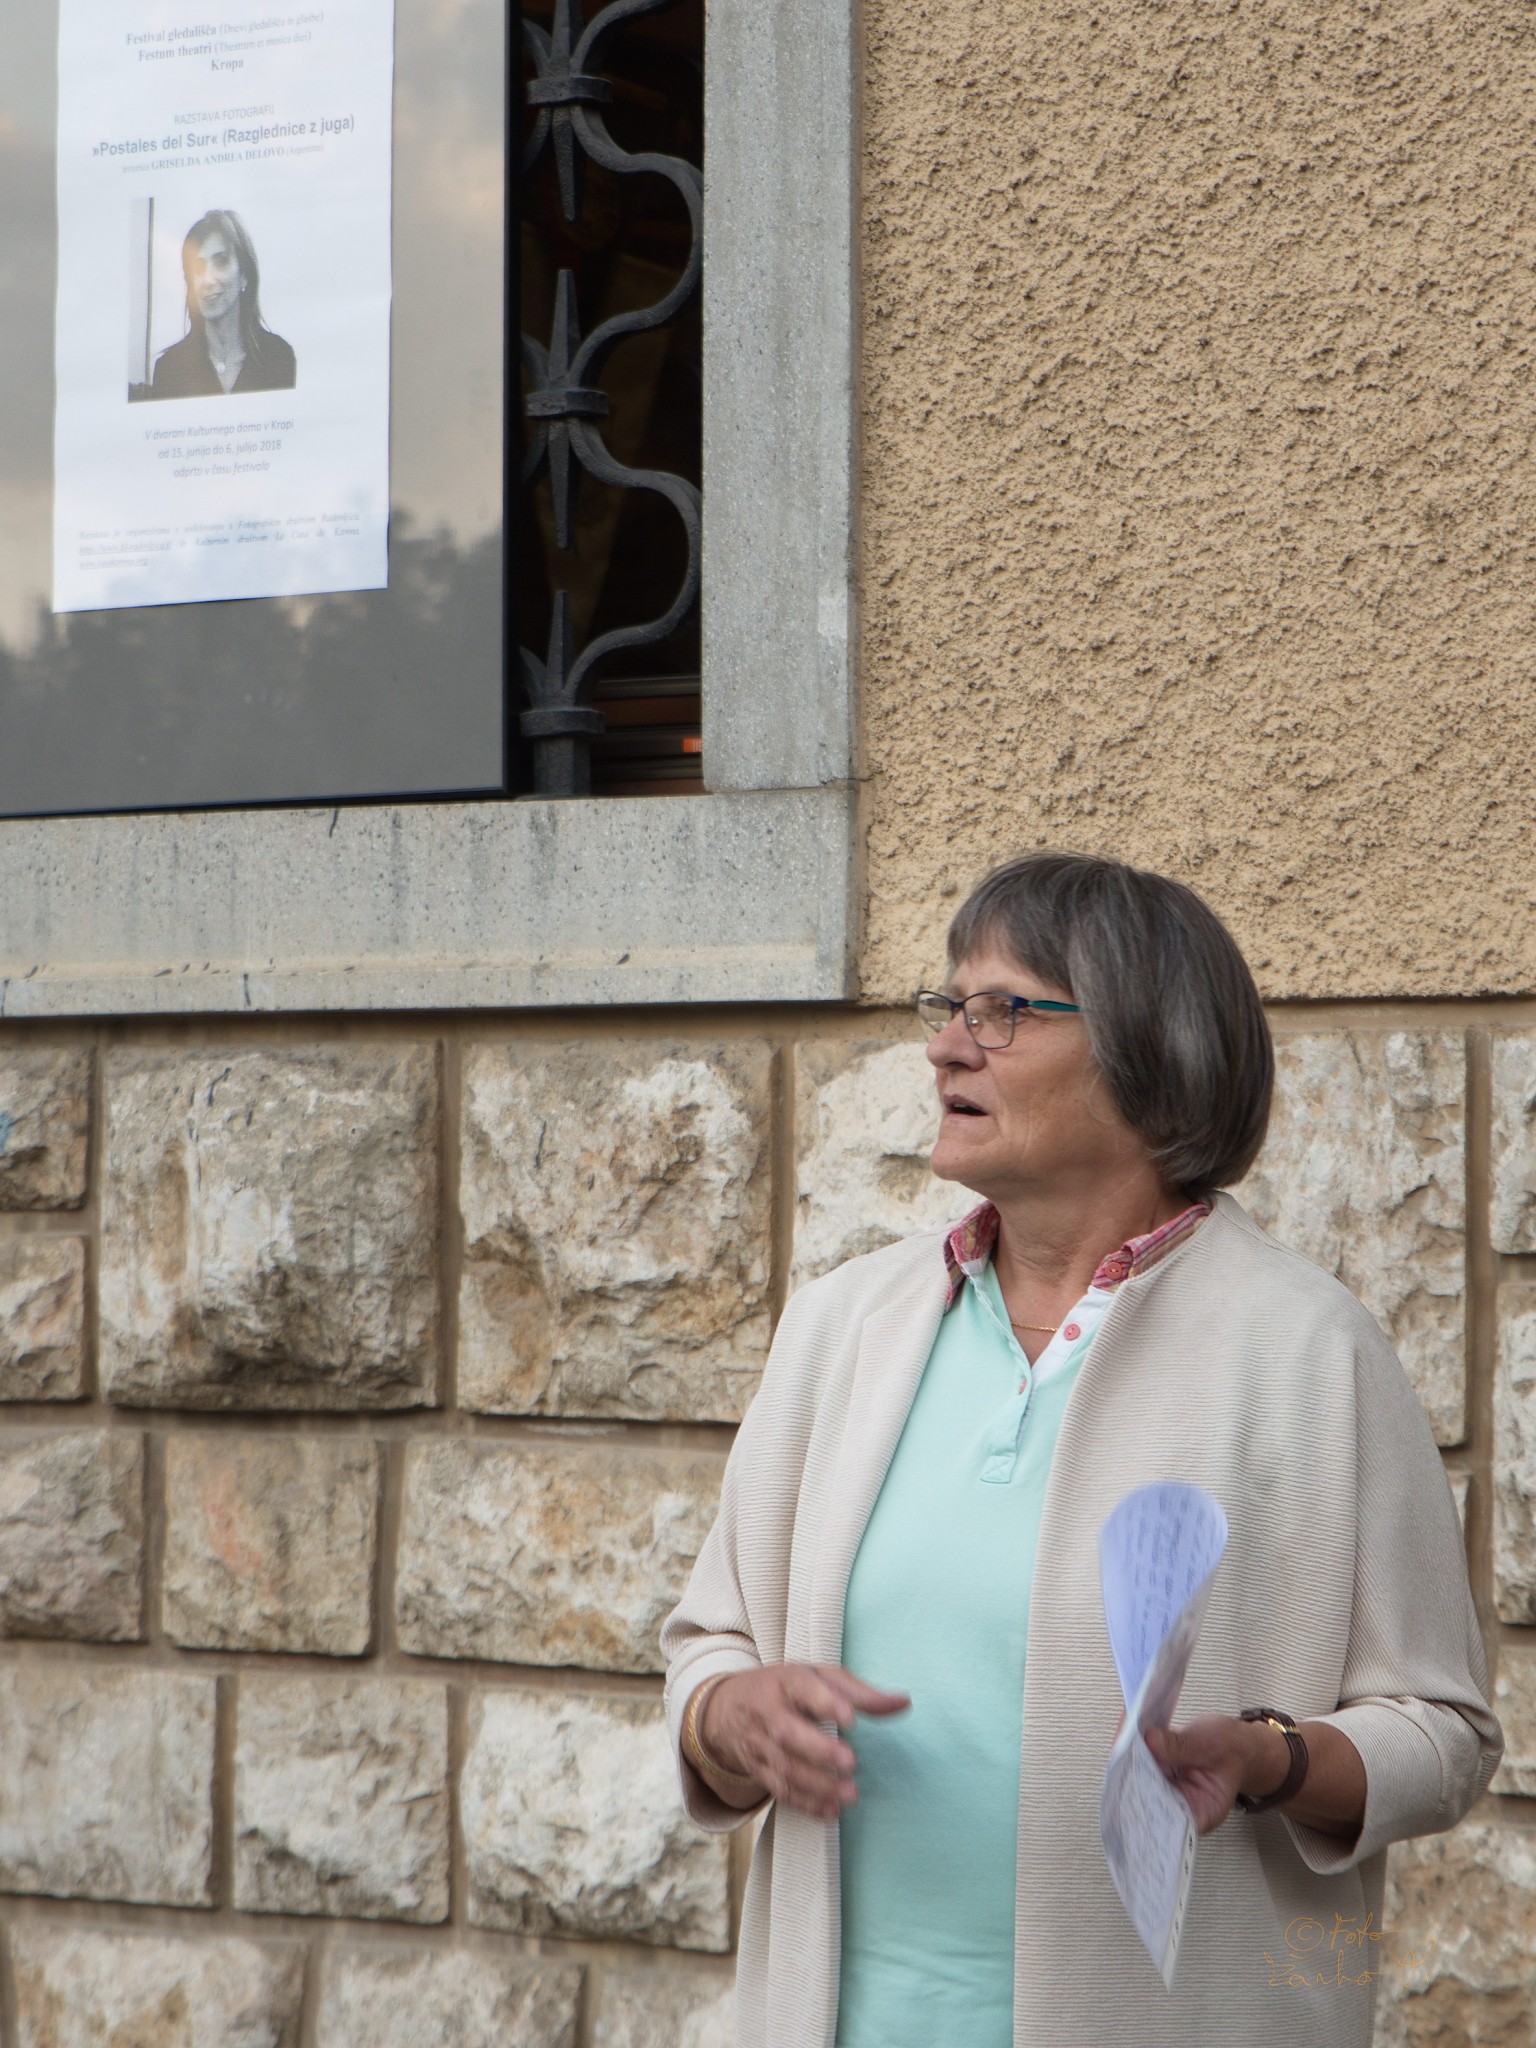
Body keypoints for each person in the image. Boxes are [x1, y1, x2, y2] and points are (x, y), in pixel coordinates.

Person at [662, 851, 1500, 2048]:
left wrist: (1269, 1756)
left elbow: (1443, 1732)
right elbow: (713, 1640)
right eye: (947, 1005)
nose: (947, 1046)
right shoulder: (844, 1325)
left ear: (1151, 1052)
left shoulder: (1312, 1350)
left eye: (1001, 1009)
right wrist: (726, 1716)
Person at [148, 209, 296, 399]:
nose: (208, 280)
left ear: (244, 275)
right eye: (198, 267)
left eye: (221, 262)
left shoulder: (279, 358)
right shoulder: (169, 369)